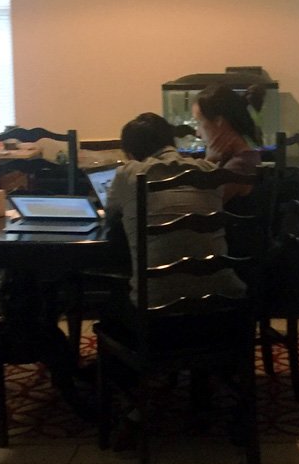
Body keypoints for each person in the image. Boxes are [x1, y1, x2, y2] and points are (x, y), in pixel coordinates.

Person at [104, 111, 244, 308]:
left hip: (155, 305)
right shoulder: (210, 171)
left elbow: (111, 215)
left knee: (112, 299)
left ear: (131, 155)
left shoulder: (129, 173)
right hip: (222, 302)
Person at [192, 83, 263, 179]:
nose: (198, 133)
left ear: (218, 121)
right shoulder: (242, 158)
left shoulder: (236, 168)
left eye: (199, 122)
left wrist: (208, 163)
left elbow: (203, 189)